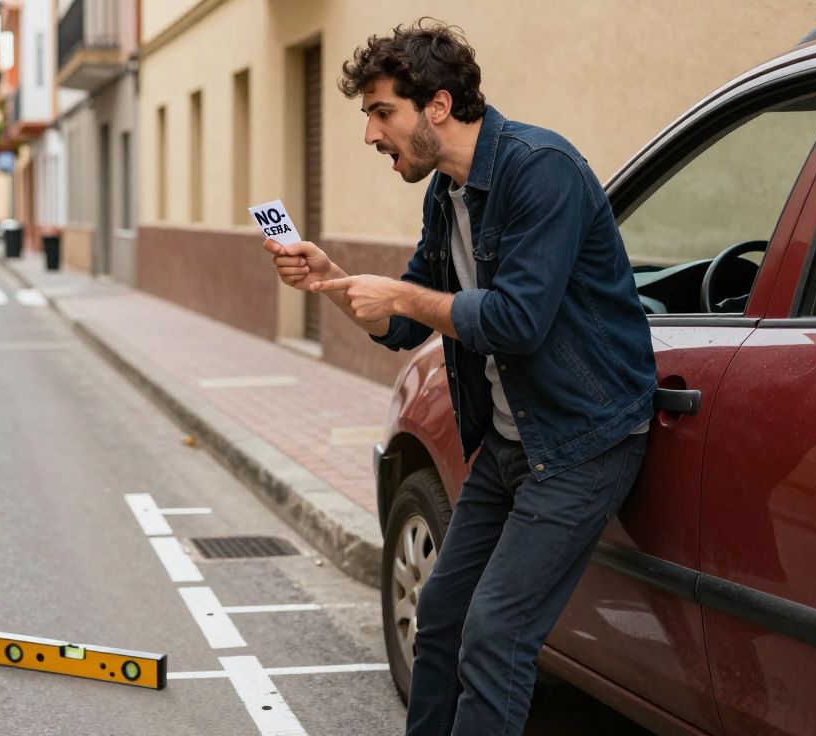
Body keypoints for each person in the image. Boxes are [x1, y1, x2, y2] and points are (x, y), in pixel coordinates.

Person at [262, 19, 656, 736]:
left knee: (496, 636)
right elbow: (406, 323)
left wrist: (403, 296)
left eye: (382, 112)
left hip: (582, 441)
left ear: (437, 107)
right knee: (439, 619)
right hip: (513, 442)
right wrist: (335, 283)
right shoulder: (445, 193)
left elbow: (516, 322)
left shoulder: (542, 170)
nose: (370, 133)